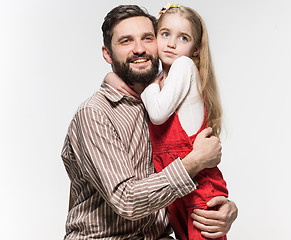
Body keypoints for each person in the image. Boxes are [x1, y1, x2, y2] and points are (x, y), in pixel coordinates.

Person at [61, 4, 237, 240]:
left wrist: (222, 207)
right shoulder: (95, 113)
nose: (139, 49)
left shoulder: (162, 103)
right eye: (126, 41)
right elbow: (127, 201)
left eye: (148, 38)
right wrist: (194, 161)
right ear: (107, 53)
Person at [105, 4, 229, 240]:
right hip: (175, 192)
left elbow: (158, 113)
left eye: (183, 38)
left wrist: (149, 81)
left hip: (197, 190)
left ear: (195, 49)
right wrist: (111, 77)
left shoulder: (183, 67)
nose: (171, 43)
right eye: (165, 34)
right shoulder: (164, 79)